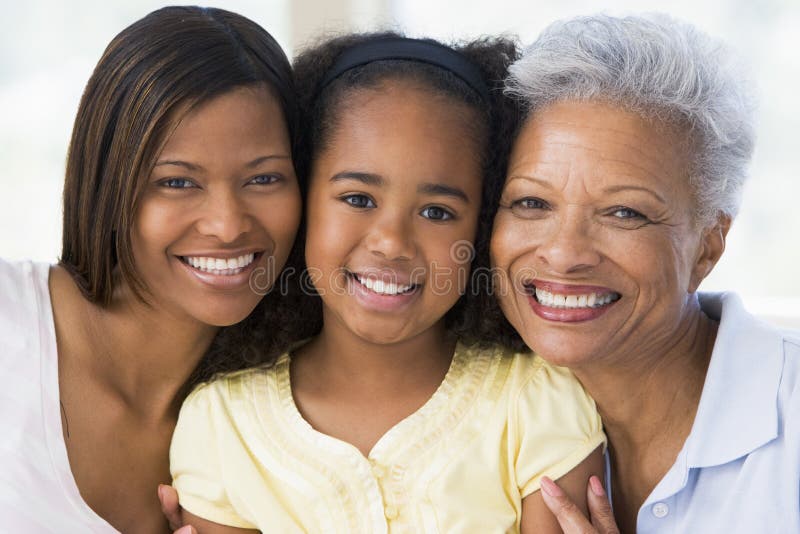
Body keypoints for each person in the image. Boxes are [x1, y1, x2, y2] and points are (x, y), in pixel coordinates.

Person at [168, 32, 606, 533]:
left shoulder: (537, 404)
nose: (392, 242)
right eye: (357, 199)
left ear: (482, 229)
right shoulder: (221, 427)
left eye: (437, 211)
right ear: (302, 200)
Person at [490, 13, 800, 533]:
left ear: (708, 244)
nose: (565, 254)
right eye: (531, 202)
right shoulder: (467, 417)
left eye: (624, 213)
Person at [0, 6, 303, 533]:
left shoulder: (287, 423)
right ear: (109, 181)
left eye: (263, 179)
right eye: (178, 182)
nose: (228, 226)